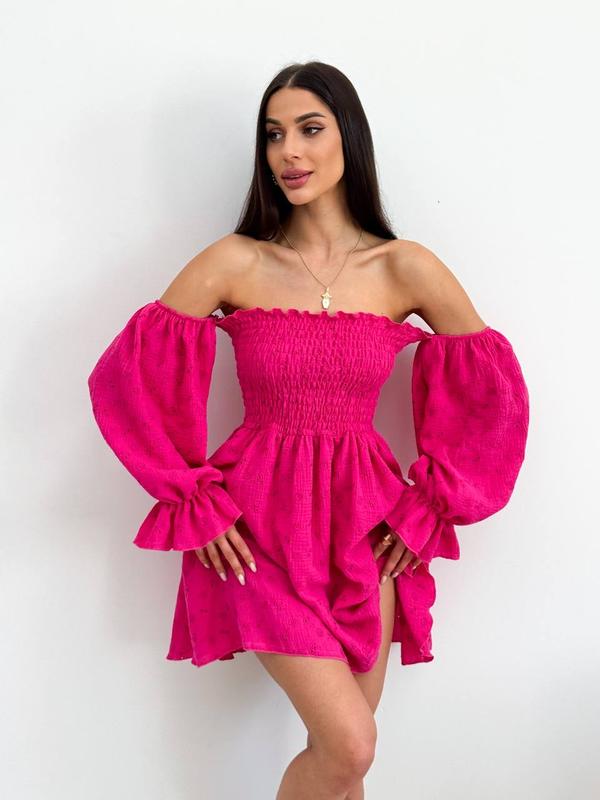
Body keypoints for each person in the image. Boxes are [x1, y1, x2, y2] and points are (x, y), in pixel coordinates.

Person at [87, 61, 529, 800]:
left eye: (309, 129)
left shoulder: (404, 267)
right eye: (273, 135)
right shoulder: (236, 260)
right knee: (351, 745)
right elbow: (128, 379)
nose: (288, 151)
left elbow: (494, 396)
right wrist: (192, 498)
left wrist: (431, 506)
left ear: (348, 137)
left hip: (369, 528)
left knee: (345, 762)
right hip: (255, 528)